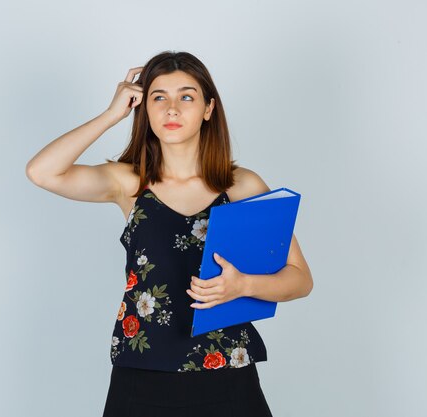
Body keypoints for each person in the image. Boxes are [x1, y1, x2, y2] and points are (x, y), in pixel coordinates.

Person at [25, 50, 313, 417]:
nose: (172, 109)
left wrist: (243, 286)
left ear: (208, 108)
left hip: (227, 374)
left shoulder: (242, 187)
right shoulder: (129, 183)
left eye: (186, 97)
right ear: (144, 107)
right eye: (159, 97)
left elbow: (300, 279)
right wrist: (112, 114)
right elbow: (42, 172)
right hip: (142, 376)